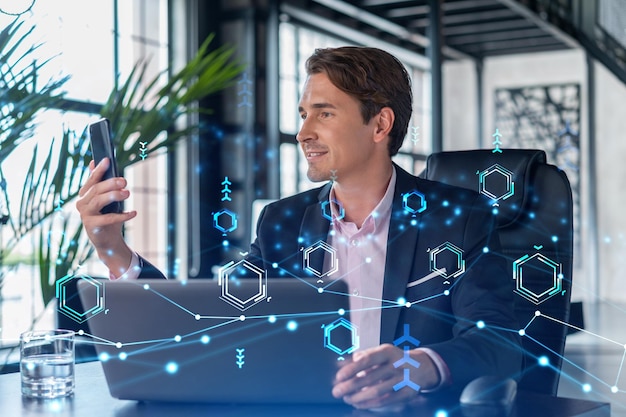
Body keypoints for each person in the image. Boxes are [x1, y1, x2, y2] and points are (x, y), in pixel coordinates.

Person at [77, 46, 522, 410]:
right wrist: (113, 249)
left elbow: (499, 340)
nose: (302, 131)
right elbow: (205, 327)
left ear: (380, 124)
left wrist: (418, 365)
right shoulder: (282, 223)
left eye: (324, 114)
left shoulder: (459, 218)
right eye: (303, 113)